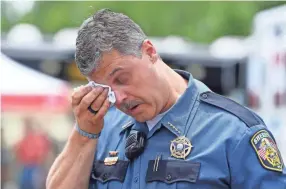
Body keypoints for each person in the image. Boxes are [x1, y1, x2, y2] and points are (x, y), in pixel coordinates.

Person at [46, 9, 286, 189]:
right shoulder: (104, 128)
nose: (118, 98)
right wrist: (84, 133)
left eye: (121, 78)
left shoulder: (234, 132)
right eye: (105, 89)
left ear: (149, 52)